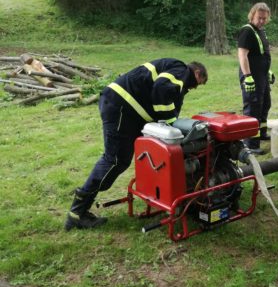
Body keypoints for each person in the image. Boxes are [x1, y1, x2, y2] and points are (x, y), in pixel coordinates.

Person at [64, 59, 208, 231]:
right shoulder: (182, 70)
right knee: (115, 160)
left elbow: (171, 100)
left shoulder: (175, 74)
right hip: (122, 106)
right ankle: (77, 212)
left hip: (130, 111)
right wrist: (169, 123)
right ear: (197, 73)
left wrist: (172, 122)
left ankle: (163, 193)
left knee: (151, 152)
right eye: (198, 84)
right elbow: (162, 89)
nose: (194, 88)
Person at [238, 2, 274, 155]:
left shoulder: (261, 31)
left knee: (265, 104)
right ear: (252, 15)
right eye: (259, 18)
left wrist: (268, 71)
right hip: (252, 77)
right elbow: (242, 55)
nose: (261, 21)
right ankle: (251, 144)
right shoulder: (247, 31)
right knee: (253, 108)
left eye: (264, 18)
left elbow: (261, 55)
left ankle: (262, 133)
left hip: (262, 76)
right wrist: (247, 76)